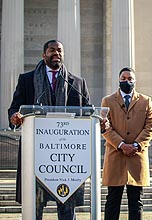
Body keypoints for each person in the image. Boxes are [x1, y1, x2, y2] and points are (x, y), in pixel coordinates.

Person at [8, 39, 91, 220]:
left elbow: (88, 111)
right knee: (35, 207)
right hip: (36, 155)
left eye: (60, 50)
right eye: (52, 50)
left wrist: (99, 122)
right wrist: (15, 116)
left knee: (67, 209)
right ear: (44, 54)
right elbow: (14, 109)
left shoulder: (76, 83)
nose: (57, 53)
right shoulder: (27, 80)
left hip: (67, 158)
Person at [101, 67, 152, 220]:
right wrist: (121, 144)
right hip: (115, 156)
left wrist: (137, 145)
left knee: (136, 201)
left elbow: (151, 125)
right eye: (124, 78)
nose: (127, 81)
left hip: (136, 156)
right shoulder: (108, 101)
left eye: (130, 79)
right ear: (118, 80)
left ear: (135, 81)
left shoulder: (146, 101)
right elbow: (105, 126)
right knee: (112, 200)